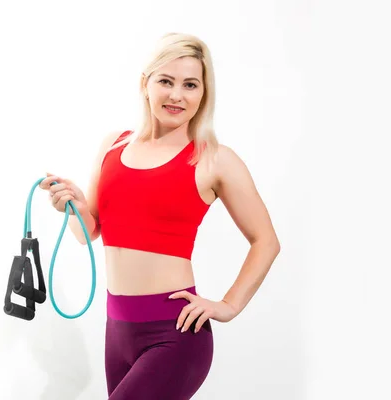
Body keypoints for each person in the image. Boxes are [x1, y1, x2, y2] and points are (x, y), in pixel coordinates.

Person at [39, 32, 280, 400]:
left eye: (190, 84)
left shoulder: (214, 159)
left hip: (175, 334)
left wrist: (228, 306)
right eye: (166, 81)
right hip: (117, 332)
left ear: (203, 93)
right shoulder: (113, 146)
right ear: (145, 84)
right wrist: (72, 205)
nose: (176, 95)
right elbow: (89, 232)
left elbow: (266, 241)